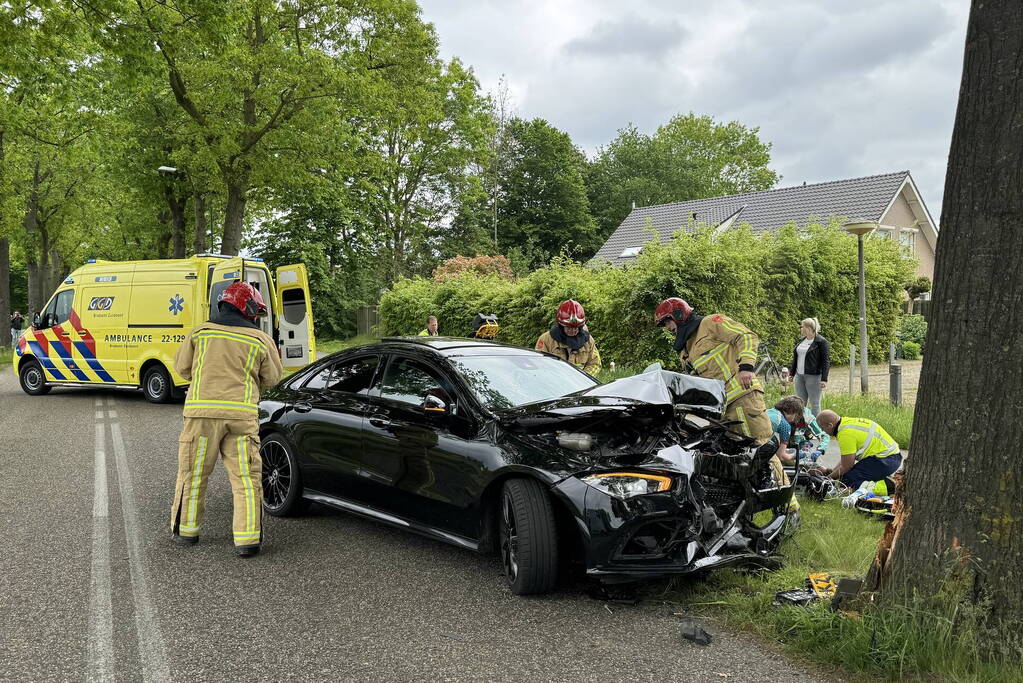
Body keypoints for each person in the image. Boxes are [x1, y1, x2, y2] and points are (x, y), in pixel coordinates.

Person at [655, 297, 798, 514]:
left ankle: (789, 509)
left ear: (678, 315)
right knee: (734, 459)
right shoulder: (687, 348)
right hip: (719, 410)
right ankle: (740, 507)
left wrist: (747, 367)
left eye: (667, 322)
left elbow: (746, 336)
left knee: (762, 450)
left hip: (743, 398)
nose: (667, 328)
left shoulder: (711, 323)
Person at [170, 282, 283, 557]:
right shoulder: (260, 339)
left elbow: (182, 369)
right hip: (241, 416)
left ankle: (187, 531)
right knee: (246, 478)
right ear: (249, 309)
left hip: (201, 416)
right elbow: (272, 378)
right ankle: (247, 541)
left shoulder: (200, 333)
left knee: (193, 474)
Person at [813, 410, 902, 490]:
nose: (823, 431)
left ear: (830, 425)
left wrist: (827, 479)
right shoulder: (846, 423)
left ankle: (888, 486)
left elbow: (846, 466)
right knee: (844, 475)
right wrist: (833, 472)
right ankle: (880, 478)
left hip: (885, 460)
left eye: (822, 428)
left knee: (846, 480)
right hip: (890, 457)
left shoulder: (845, 434)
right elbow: (846, 459)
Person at [535, 299, 601, 373]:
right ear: (560, 325)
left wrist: (583, 378)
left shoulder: (588, 341)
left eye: (576, 327)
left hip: (580, 382)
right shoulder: (546, 340)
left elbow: (595, 364)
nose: (573, 331)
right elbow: (539, 366)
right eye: (568, 327)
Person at [786, 318, 830, 415]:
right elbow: (796, 358)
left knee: (815, 404)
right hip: (799, 376)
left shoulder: (821, 342)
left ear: (808, 328)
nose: (801, 329)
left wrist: (824, 379)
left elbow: (825, 361)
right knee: (800, 404)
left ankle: (817, 427)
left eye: (802, 327)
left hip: (813, 376)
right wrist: (792, 374)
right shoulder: (801, 340)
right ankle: (801, 426)